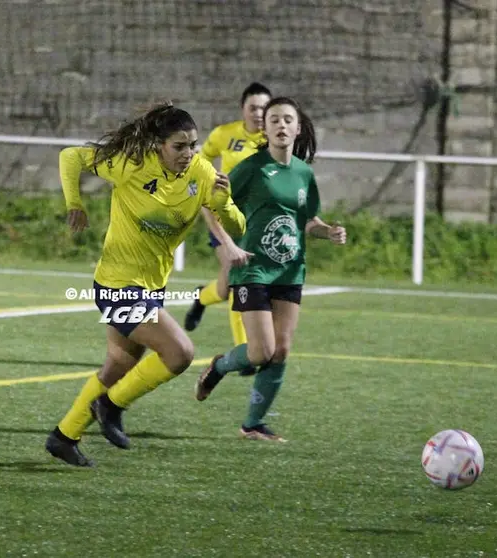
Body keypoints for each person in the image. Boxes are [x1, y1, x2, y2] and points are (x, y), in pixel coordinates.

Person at [45, 103, 247, 467]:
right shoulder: (131, 163)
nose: (189, 154)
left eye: (194, 145)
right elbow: (70, 157)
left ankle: (64, 436)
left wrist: (223, 202)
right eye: (179, 146)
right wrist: (74, 203)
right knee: (180, 353)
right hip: (116, 284)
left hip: (150, 287)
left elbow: (238, 229)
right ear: (157, 145)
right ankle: (110, 405)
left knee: (117, 367)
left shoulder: (200, 172)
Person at [194, 97, 347, 442]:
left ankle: (253, 425)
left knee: (281, 350)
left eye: (287, 119)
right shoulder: (252, 167)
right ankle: (219, 366)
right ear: (265, 128)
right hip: (253, 270)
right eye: (273, 119)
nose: (280, 125)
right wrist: (229, 245)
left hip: (290, 271)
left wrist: (328, 231)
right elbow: (211, 205)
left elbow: (307, 221)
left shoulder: (304, 174)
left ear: (297, 128)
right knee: (260, 352)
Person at [184, 83, 272, 372]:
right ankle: (244, 351)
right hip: (224, 218)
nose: (259, 114)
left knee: (223, 289)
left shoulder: (274, 138)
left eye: (264, 108)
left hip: (256, 223)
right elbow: (203, 158)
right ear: (243, 109)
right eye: (254, 108)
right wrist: (207, 179)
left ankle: (201, 297)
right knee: (237, 280)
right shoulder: (225, 134)